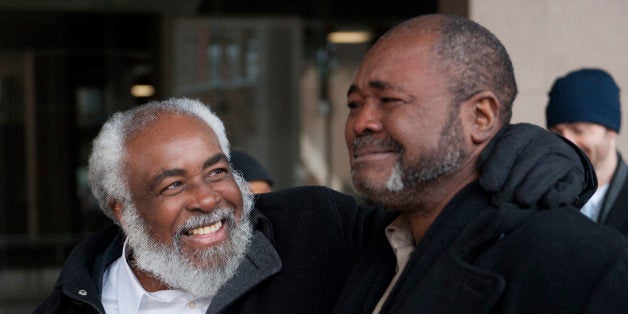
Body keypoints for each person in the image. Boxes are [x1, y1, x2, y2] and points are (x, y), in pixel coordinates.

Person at [36, 95, 595, 313]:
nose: (210, 199)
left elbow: (438, 214)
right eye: (173, 185)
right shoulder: (67, 308)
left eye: (217, 171)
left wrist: (534, 155)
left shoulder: (314, 229)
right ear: (119, 209)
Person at [332, 14, 628, 313]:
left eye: (389, 100)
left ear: (480, 117)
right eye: (354, 104)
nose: (360, 122)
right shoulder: (354, 244)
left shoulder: (585, 270)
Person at [546, 68, 628, 235]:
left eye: (579, 130)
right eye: (557, 132)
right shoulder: (539, 199)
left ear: (611, 130)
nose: (566, 142)